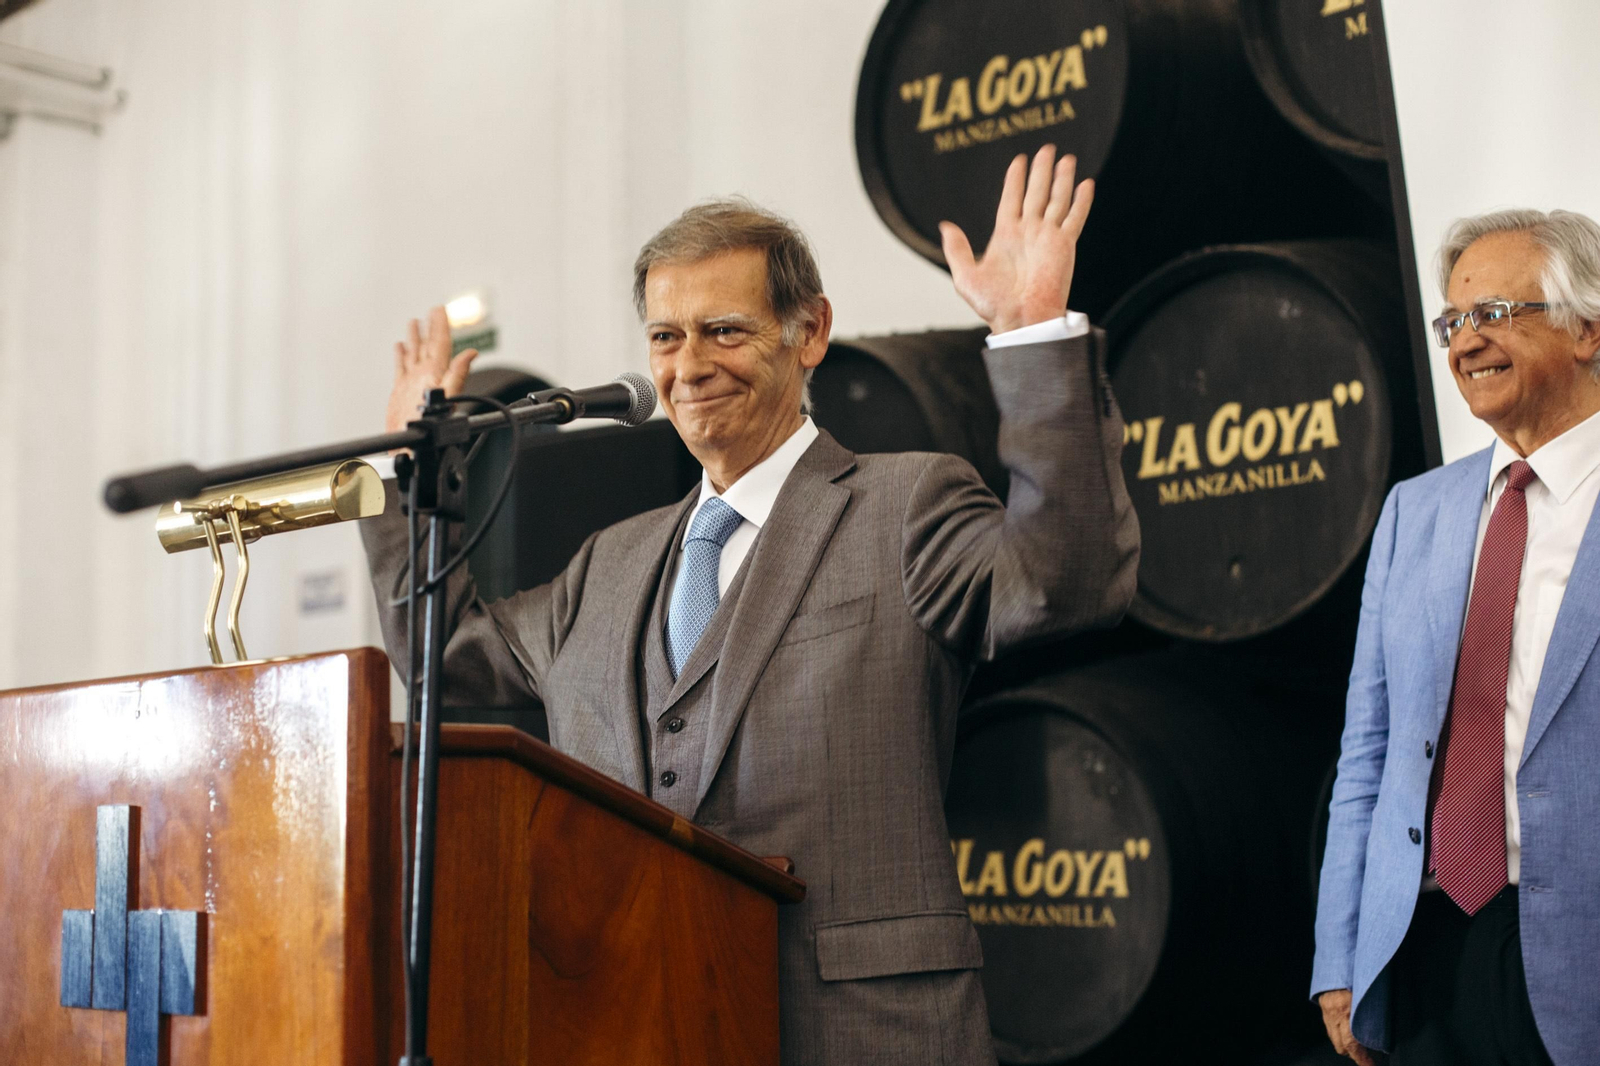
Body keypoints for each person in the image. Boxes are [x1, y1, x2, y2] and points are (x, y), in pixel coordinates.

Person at [362, 144, 1138, 1065]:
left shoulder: (905, 505)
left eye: (723, 330)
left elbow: (1067, 580)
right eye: (664, 337)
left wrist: (1033, 334)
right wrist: (407, 475)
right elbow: (438, 651)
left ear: (808, 334)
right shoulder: (608, 565)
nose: (688, 365)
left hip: (860, 1034)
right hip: (635, 1024)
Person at [1313, 209, 1600, 1066]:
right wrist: (1342, 952)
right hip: (1425, 945)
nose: (1465, 343)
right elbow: (1368, 753)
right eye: (1453, 323)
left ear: (1587, 330)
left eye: (1495, 315)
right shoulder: (1415, 511)